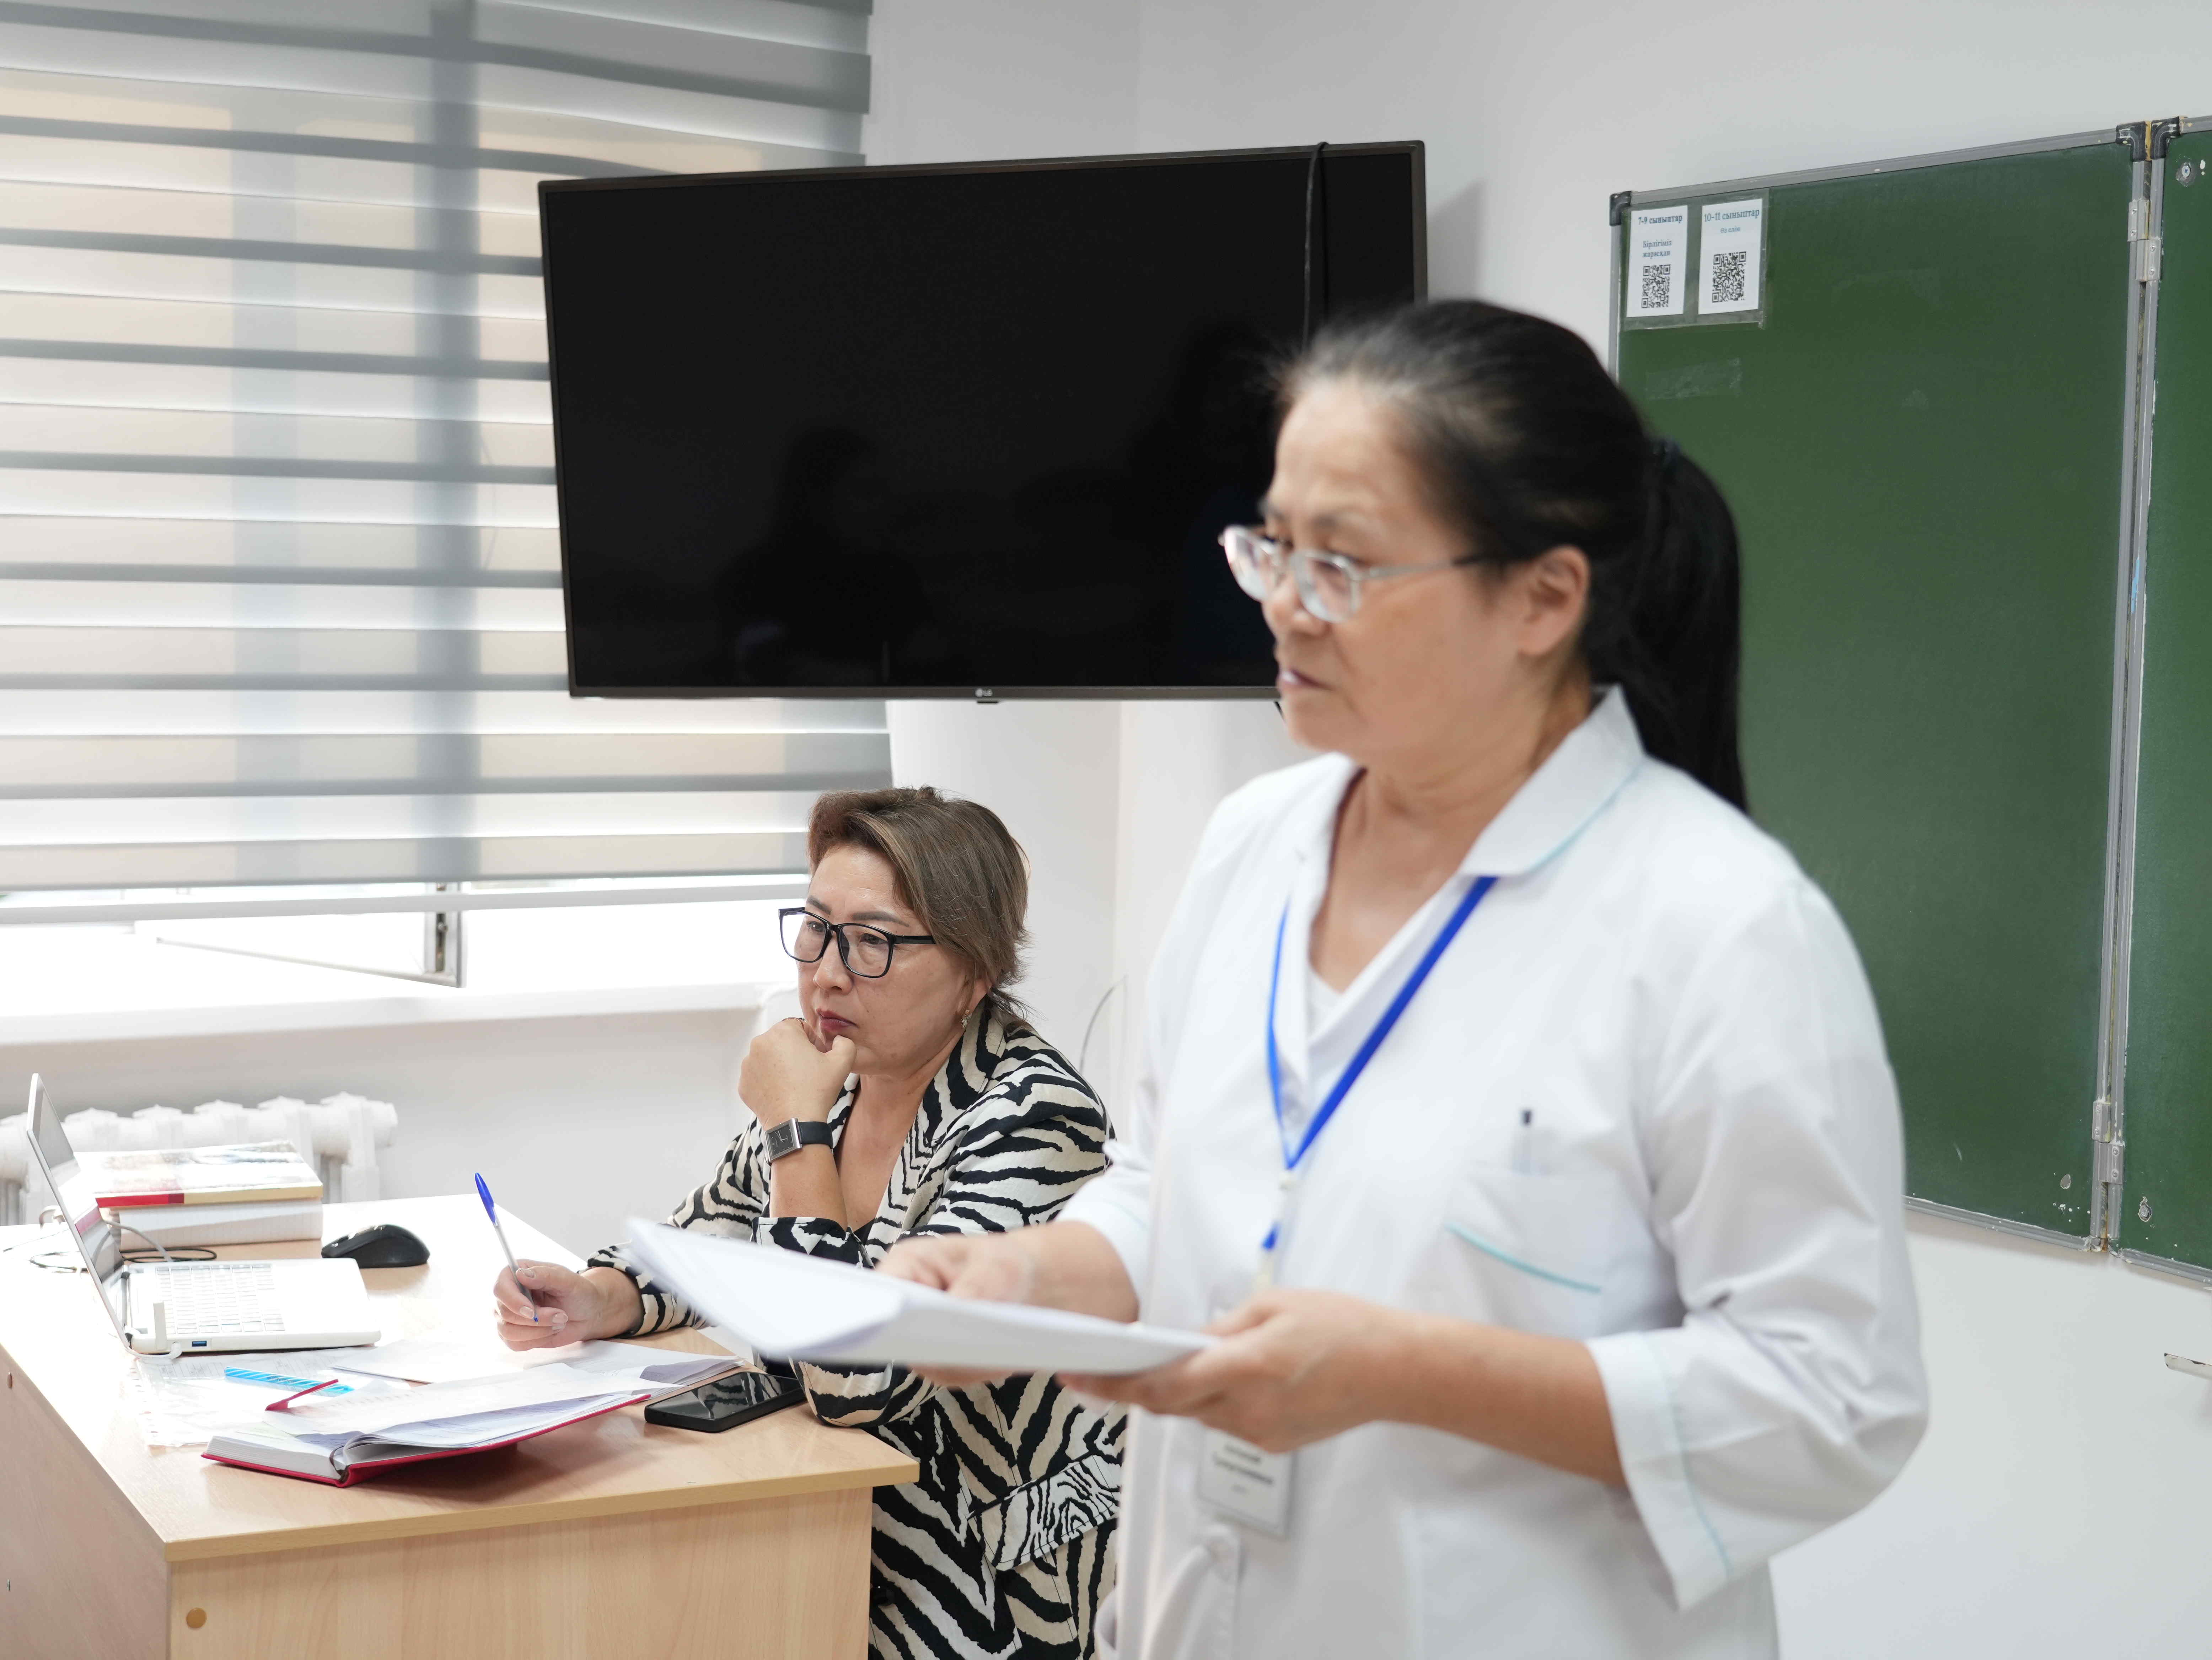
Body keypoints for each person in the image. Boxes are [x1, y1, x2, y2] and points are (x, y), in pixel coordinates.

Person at [877, 301, 1930, 1658]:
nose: (1281, 605)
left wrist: (1402, 1369)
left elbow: (1830, 1398)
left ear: (1542, 598)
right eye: (1271, 547)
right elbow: (1166, 1187)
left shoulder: (1716, 925)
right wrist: (1026, 1274)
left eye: (1343, 564)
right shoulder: (1254, 844)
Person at [491, 787, 1122, 1660]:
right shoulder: (848, 1072)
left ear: (973, 974)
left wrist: (795, 1128)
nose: (826, 971)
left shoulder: (1036, 1117)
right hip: (843, 1520)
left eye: (872, 942)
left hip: (989, 1575)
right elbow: (715, 1228)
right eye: (817, 928)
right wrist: (599, 1296)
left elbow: (855, 1383)